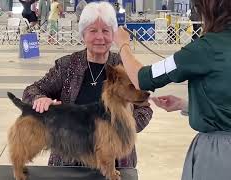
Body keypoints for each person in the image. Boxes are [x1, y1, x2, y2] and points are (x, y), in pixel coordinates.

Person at [114, 0, 231, 179]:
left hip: (219, 157)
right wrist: (186, 105)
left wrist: (123, 45)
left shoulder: (204, 49)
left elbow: (142, 78)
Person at [22, 2, 153, 168]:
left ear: (113, 34)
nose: (100, 37)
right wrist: (40, 99)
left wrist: (124, 126)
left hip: (115, 160)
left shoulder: (125, 65)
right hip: (68, 159)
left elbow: (145, 107)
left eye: (106, 30)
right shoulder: (66, 65)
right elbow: (31, 91)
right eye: (93, 31)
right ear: (83, 34)